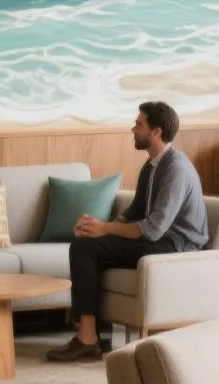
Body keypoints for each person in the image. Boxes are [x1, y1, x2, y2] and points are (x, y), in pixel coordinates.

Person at [46, 102, 209, 362]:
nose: (133, 129)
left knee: (85, 249)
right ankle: (95, 334)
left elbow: (154, 229)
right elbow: (133, 213)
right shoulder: (151, 166)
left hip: (177, 246)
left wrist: (105, 230)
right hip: (160, 241)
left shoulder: (175, 169)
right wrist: (96, 226)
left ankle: (88, 338)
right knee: (87, 245)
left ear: (156, 132)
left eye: (139, 124)